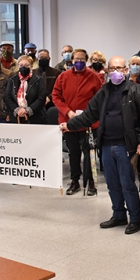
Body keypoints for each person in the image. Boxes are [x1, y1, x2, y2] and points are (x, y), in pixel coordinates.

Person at [62, 56, 140, 235]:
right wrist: (69, 125)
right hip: (107, 145)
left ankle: (135, 218)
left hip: (126, 146)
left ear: (126, 70)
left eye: (120, 68)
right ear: (107, 70)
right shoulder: (103, 92)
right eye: (113, 68)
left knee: (127, 183)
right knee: (112, 183)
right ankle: (118, 214)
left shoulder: (137, 91)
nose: (116, 71)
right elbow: (89, 114)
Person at [52, 48, 103, 195]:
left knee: (89, 154)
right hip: (68, 121)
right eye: (76, 59)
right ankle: (75, 181)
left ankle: (91, 182)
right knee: (73, 153)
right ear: (72, 60)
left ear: (86, 61)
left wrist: (87, 115)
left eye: (82, 59)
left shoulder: (94, 77)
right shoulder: (63, 76)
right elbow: (56, 96)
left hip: (88, 122)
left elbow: (98, 99)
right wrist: (67, 111)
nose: (79, 62)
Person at [4, 55, 46, 125]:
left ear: (31, 66)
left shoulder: (39, 80)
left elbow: (41, 98)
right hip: (15, 117)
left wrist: (27, 110)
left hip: (35, 117)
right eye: (21, 65)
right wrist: (17, 110)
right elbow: (7, 97)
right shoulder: (12, 80)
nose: (23, 67)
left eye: (27, 65)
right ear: (18, 66)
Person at [33, 49, 61, 124]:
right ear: (37, 59)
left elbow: (59, 89)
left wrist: (49, 97)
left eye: (45, 58)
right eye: (41, 57)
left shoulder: (56, 72)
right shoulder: (33, 73)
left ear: (49, 59)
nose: (43, 59)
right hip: (36, 105)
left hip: (52, 104)